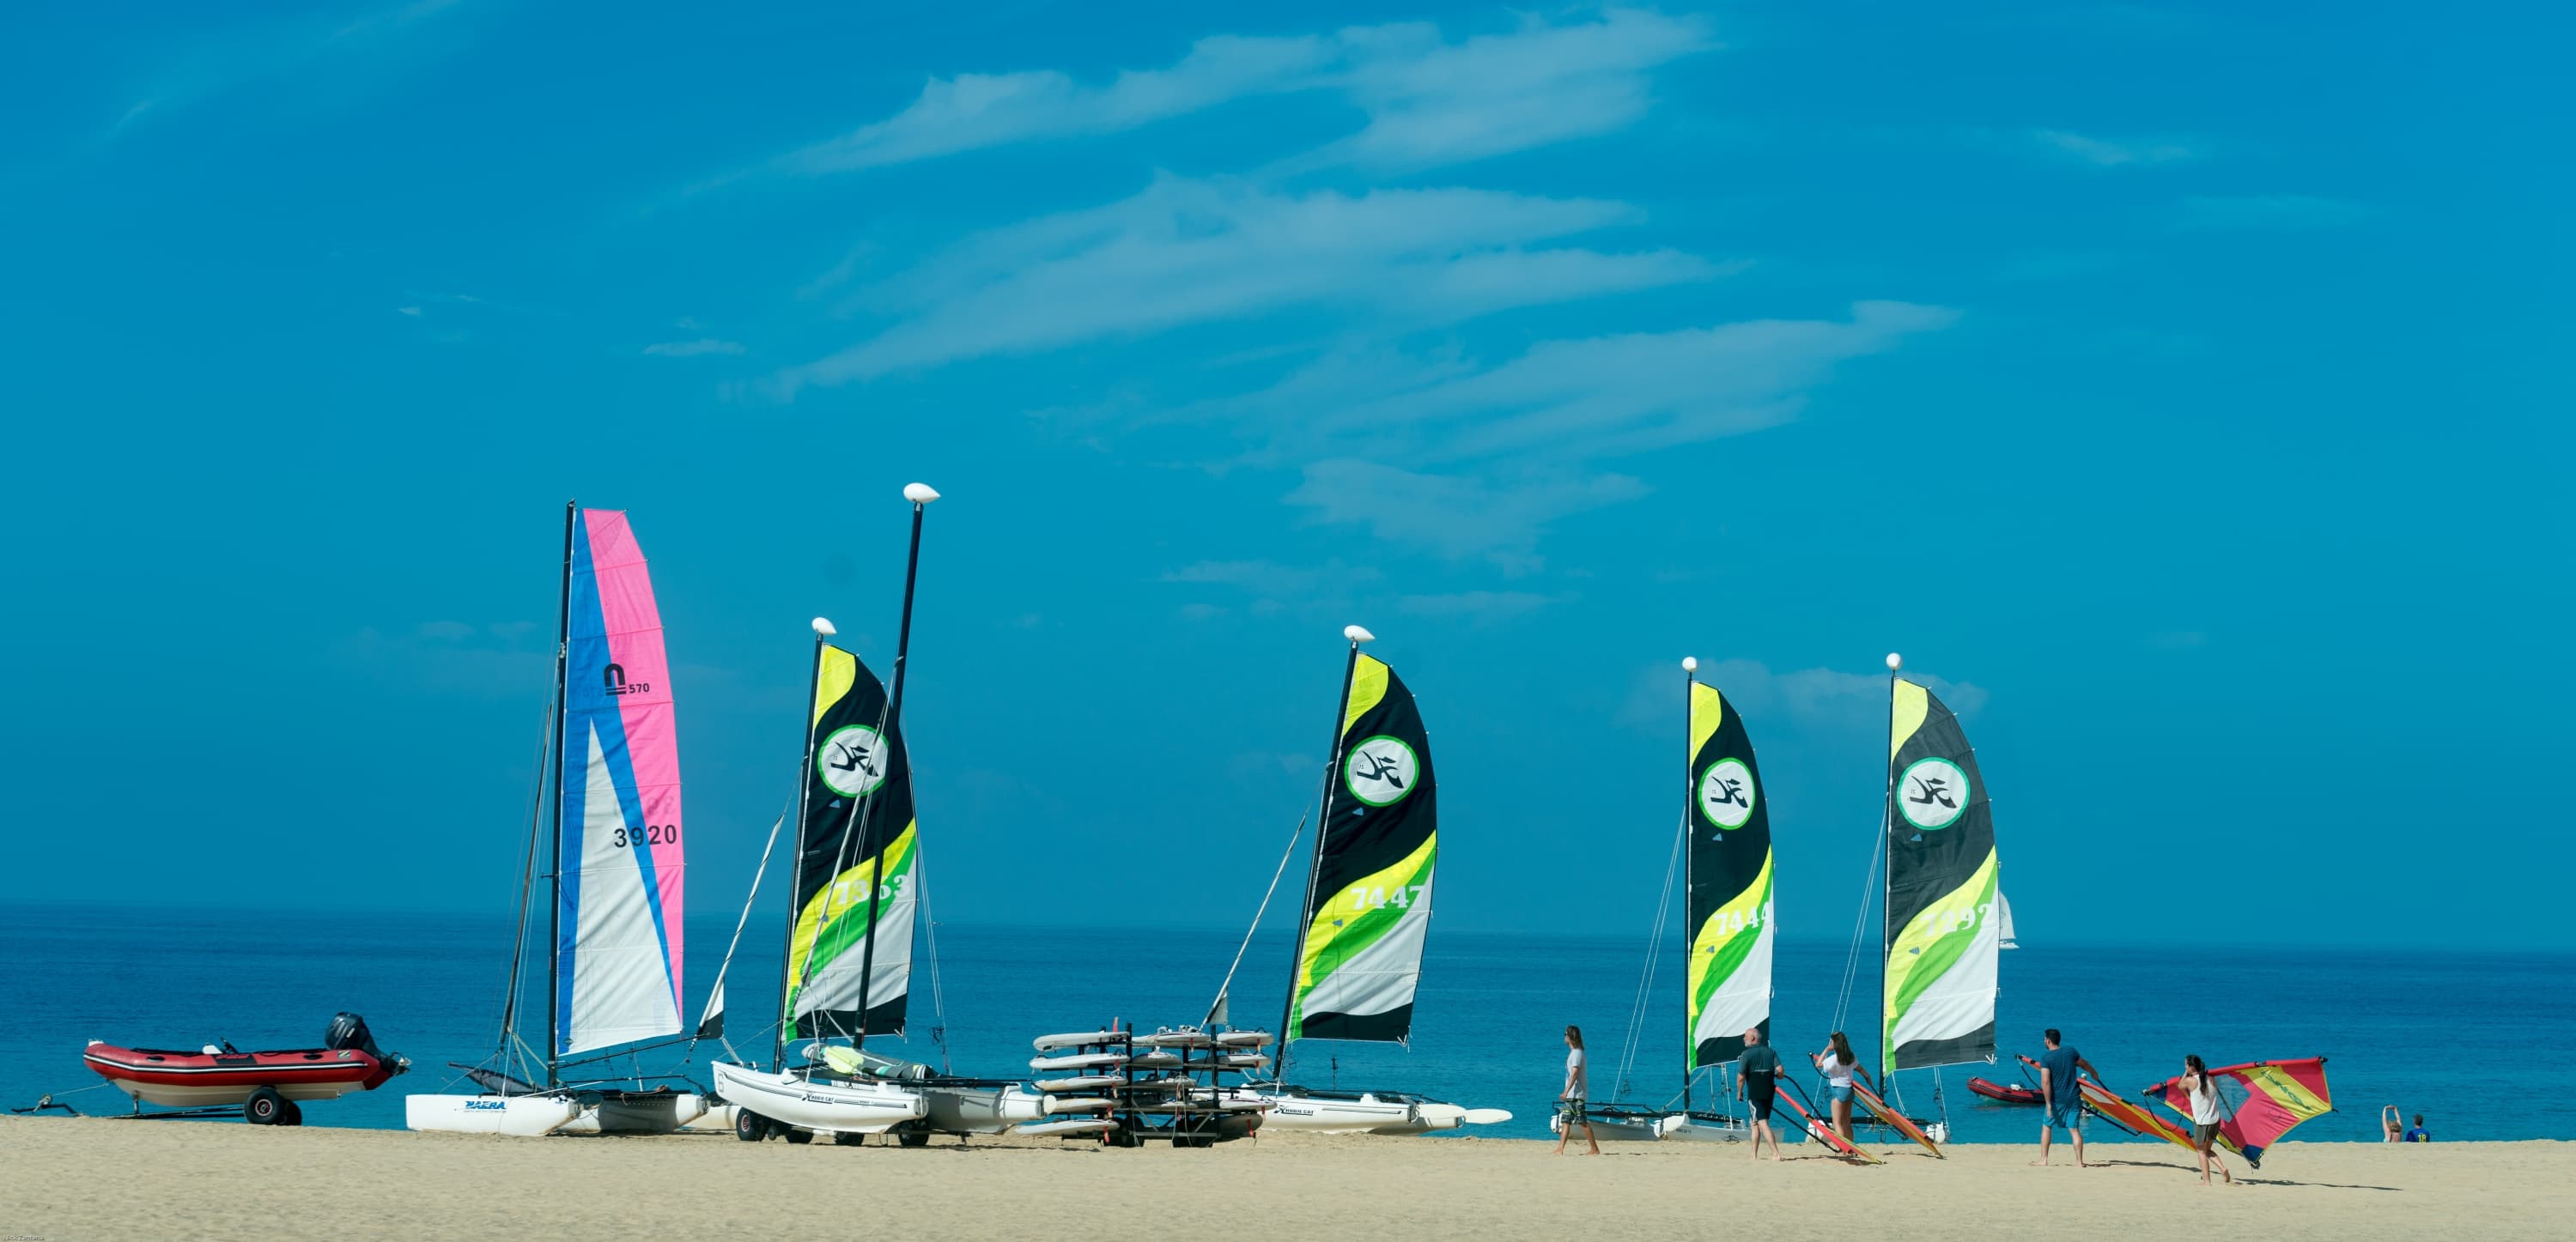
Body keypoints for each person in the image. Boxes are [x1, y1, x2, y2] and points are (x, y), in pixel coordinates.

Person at [2025, 1028, 2098, 1167]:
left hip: (2056, 1099)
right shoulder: (2071, 1051)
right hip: (2073, 1097)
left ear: (2048, 1040)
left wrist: (2048, 1103)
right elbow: (2085, 1064)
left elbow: (2045, 1082)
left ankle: (2044, 1160)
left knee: (2047, 1126)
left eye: (2044, 1039)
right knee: (2074, 1129)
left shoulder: (2047, 1058)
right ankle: (2079, 1162)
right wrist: (2094, 1073)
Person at [1809, 1032, 1873, 1145]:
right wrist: (1867, 1076)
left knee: (1837, 1122)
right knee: (1846, 1122)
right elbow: (1859, 1068)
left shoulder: (1833, 1059)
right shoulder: (1850, 1057)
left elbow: (1818, 1065)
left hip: (1839, 1091)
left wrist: (1827, 1049)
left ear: (1834, 1043)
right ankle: (1852, 1147)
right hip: (1849, 1091)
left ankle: (1844, 1148)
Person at [2181, 1054, 2233, 1186]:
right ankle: (2222, 1168)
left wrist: (2186, 1074)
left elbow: (2180, 1085)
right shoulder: (2211, 1079)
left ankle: (2207, 1181)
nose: (2185, 1067)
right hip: (2215, 1121)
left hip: (2202, 1123)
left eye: (2186, 1065)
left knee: (2201, 1151)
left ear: (2192, 1068)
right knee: (2207, 1150)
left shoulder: (2190, 1081)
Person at [1737, 1027, 1783, 1161]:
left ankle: (1776, 1153)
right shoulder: (1771, 1052)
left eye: (1745, 1036)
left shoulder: (1746, 1054)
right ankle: (1754, 1154)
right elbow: (1780, 1070)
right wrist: (1778, 1076)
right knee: (1754, 1122)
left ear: (1753, 1038)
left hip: (1755, 1091)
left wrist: (1739, 1092)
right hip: (1769, 1090)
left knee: (1762, 1123)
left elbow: (1741, 1077)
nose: (1743, 1038)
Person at [1553, 1025, 1598, 1155]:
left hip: (1576, 1094)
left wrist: (1566, 1091)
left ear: (1570, 1037)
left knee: (1582, 1122)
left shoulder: (1577, 1053)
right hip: (1571, 1095)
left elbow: (1575, 1073)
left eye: (1565, 1034)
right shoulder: (1573, 1053)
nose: (1564, 1036)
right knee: (1565, 1121)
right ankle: (1560, 1148)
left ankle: (1594, 1149)